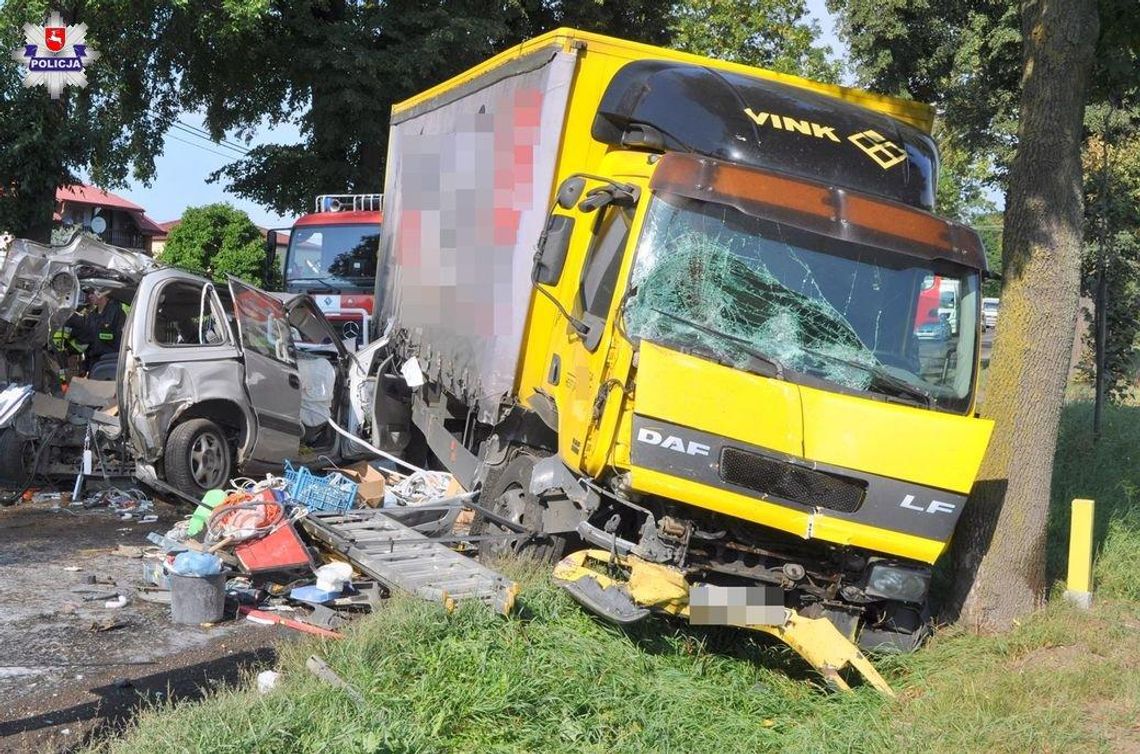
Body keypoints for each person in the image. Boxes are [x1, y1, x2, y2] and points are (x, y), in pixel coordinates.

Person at [67, 287, 126, 375]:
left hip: (112, 363)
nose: (89, 296)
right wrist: (84, 366)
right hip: (95, 365)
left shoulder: (117, 313)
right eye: (88, 293)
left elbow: (121, 341)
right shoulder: (91, 316)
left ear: (102, 293)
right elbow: (88, 342)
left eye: (92, 293)